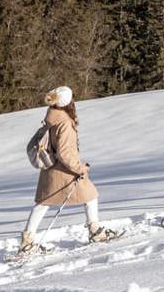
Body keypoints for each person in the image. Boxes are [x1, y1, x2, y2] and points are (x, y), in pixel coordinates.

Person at [20, 86, 115, 253]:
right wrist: (80, 168)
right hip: (65, 170)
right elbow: (64, 153)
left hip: (50, 168)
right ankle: (95, 232)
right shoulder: (64, 122)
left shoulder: (51, 116)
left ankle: (27, 241)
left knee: (43, 203)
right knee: (90, 195)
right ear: (68, 101)